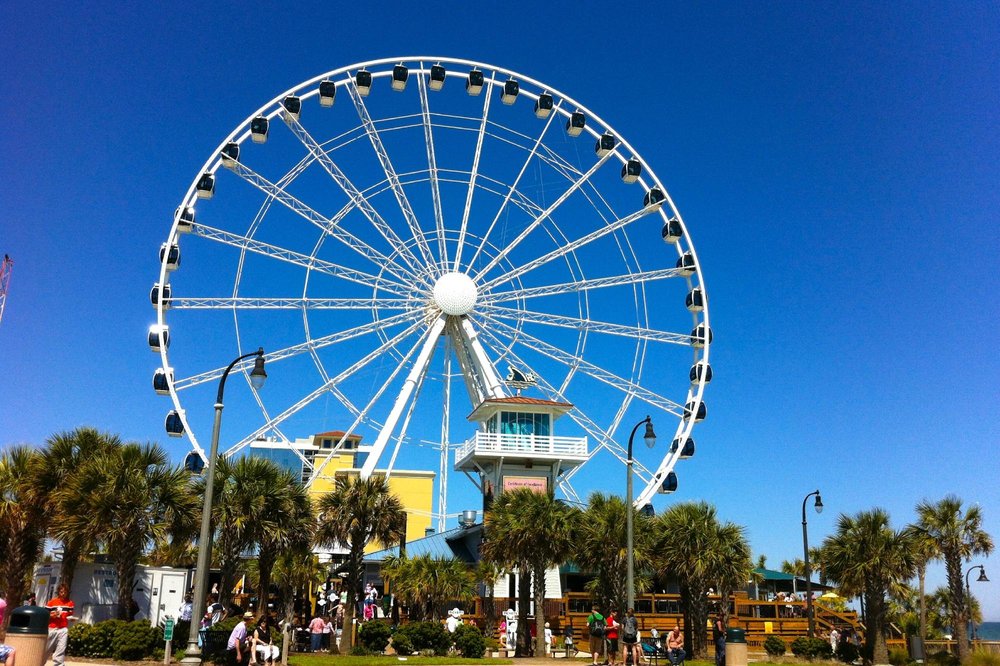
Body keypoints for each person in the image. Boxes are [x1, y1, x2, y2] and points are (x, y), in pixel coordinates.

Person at [46, 583, 75, 666]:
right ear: (58, 592)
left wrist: (71, 618)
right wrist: (52, 615)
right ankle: (39, 662)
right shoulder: (52, 602)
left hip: (63, 629)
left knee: (61, 649)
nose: (63, 594)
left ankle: (59, 664)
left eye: (65, 592)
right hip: (52, 628)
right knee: (46, 649)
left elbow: (69, 615)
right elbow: (45, 614)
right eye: (61, 592)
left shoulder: (70, 603)